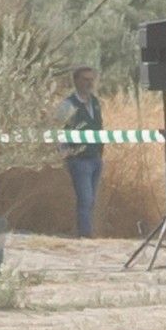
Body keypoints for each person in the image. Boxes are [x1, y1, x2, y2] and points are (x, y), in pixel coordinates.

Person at [60, 69, 107, 240]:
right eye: (85, 79)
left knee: (91, 199)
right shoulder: (68, 105)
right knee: (85, 198)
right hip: (79, 159)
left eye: (91, 79)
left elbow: (99, 126)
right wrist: (64, 153)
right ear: (76, 81)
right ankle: (85, 235)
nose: (89, 83)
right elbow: (60, 130)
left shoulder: (95, 102)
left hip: (95, 158)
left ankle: (87, 232)